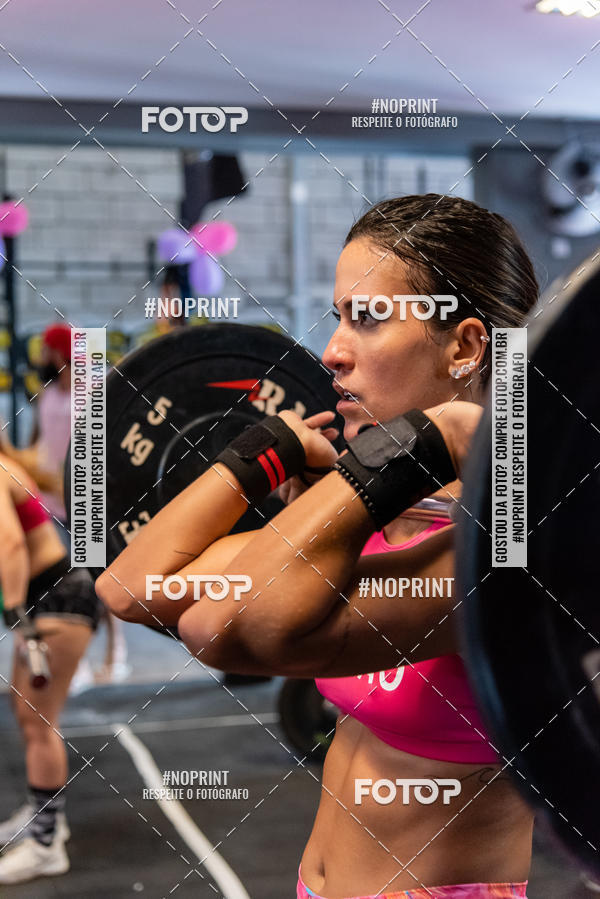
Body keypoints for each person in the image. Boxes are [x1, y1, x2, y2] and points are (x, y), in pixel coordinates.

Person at [97, 194, 539, 898]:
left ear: (464, 347)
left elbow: (224, 626)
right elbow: (132, 586)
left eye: (366, 318)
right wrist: (265, 449)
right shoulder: (367, 516)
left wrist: (403, 453)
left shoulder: (500, 548)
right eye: (338, 316)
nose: (332, 351)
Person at [0, 436, 101, 884]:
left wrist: (15, 617)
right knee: (26, 715)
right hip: (51, 598)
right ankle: (45, 817)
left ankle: (45, 846)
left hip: (58, 601)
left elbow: (10, 548)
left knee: (39, 721)